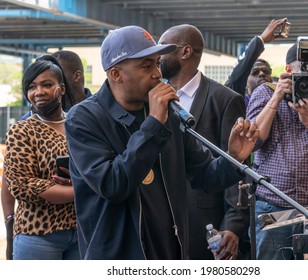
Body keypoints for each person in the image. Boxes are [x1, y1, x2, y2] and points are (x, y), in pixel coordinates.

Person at [64, 25, 259, 260]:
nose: (157, 73)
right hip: (119, 255)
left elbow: (205, 175)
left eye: (157, 63)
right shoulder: (84, 118)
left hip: (170, 250)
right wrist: (154, 123)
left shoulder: (169, 114)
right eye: (146, 66)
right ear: (116, 74)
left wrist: (233, 158)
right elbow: (113, 184)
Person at [246, 41, 308, 260]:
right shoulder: (265, 93)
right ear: (288, 71)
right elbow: (252, 142)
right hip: (272, 205)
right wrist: (276, 99)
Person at [158, 24, 249, 260]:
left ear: (185, 52)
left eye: (162, 47)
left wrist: (233, 223)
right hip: (160, 216)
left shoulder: (224, 99)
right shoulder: (153, 97)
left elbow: (234, 161)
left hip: (203, 219)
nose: (156, 55)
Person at [1, 51, 89, 260]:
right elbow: (22, 185)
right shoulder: (22, 130)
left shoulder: (81, 125)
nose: (38, 92)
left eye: (47, 85)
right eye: (32, 87)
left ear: (62, 89)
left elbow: (99, 166)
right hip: (38, 236)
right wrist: (82, 190)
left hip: (82, 230)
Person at [225, 18, 288, 105]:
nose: (262, 74)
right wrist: (261, 40)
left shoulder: (283, 104)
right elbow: (234, 80)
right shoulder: (239, 103)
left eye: (266, 71)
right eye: (255, 72)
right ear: (245, 83)